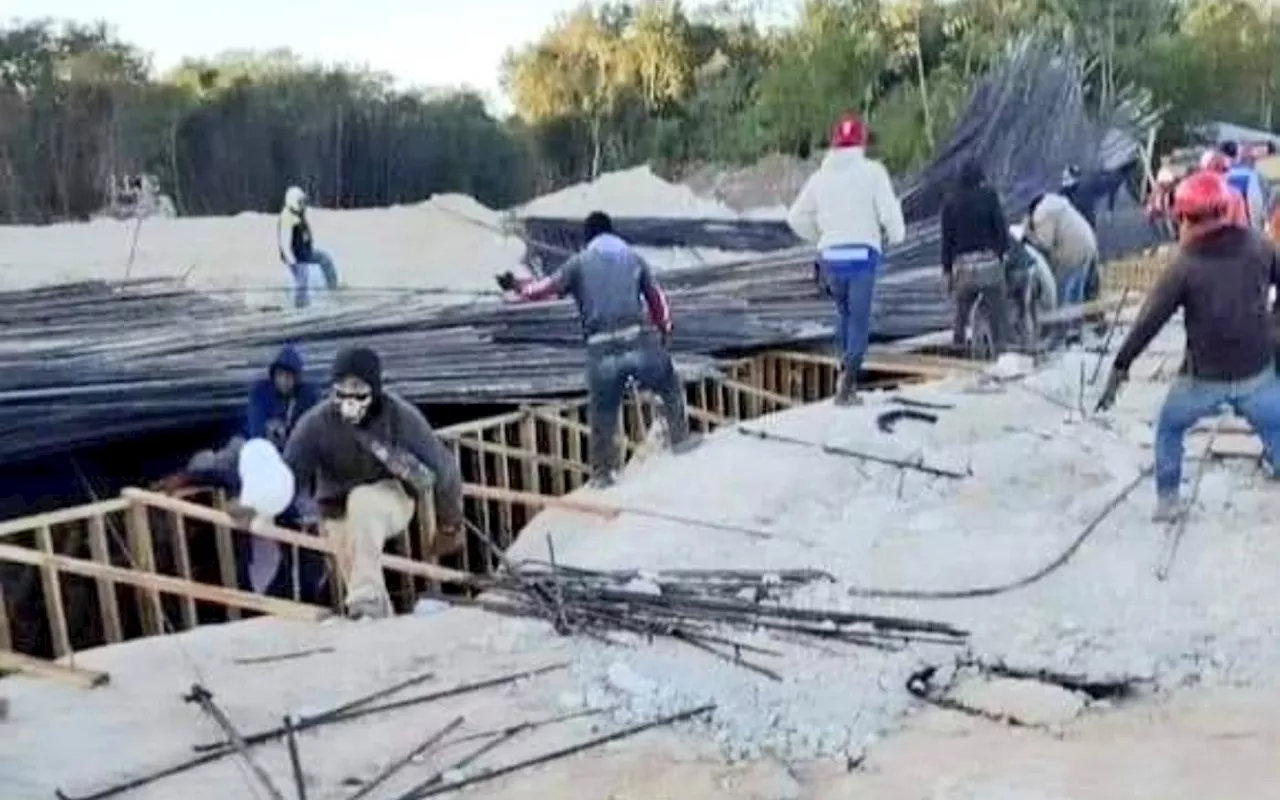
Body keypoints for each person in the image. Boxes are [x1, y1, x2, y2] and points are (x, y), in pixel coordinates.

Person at [1096, 171, 1280, 521]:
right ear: (1227, 207)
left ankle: (1168, 502)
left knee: (1169, 427)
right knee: (1276, 423)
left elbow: (1148, 322)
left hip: (1202, 380)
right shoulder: (1259, 245)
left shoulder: (1183, 267)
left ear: (1182, 217)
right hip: (1257, 372)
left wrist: (1121, 366)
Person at [495, 212, 695, 487]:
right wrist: (665, 329)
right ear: (612, 232)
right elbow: (656, 299)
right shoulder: (633, 258)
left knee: (603, 413)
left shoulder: (579, 263)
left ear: (588, 238)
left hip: (601, 351)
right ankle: (681, 440)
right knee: (668, 384)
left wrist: (515, 287)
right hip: (637, 342)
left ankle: (603, 474)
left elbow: (543, 289)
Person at [273, 346, 465, 619]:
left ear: (374, 390)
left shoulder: (398, 416)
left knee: (363, 500)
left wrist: (449, 524)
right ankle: (377, 621)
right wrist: (261, 505)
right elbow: (289, 474)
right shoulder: (316, 424)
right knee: (356, 566)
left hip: (389, 497)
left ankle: (366, 600)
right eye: (342, 389)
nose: (349, 399)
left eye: (358, 388)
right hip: (336, 509)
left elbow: (444, 468)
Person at [787, 112, 906, 405]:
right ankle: (848, 383)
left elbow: (794, 217)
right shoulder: (874, 172)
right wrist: (895, 235)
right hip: (862, 257)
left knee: (843, 316)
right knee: (859, 323)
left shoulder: (820, 178)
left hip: (831, 259)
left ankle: (845, 374)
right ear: (861, 143)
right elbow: (890, 215)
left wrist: (820, 238)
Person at [940, 160, 1011, 354]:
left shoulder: (950, 202)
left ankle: (958, 347)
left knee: (961, 312)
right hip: (989, 265)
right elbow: (1001, 231)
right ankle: (1002, 350)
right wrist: (1002, 253)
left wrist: (947, 271)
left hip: (964, 268)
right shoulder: (989, 196)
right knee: (998, 311)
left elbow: (947, 242)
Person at [1025, 190, 1099, 340]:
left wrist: (1029, 235)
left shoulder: (1041, 214)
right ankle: (1076, 330)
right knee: (1076, 293)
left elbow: (1045, 243)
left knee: (1061, 292)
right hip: (1088, 244)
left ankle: (1060, 334)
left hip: (1070, 251)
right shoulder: (1059, 204)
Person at [246, 345, 320, 451]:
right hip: (254, 443)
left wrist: (288, 431)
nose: (284, 381)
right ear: (273, 376)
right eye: (280, 375)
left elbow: (312, 428)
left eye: (289, 376)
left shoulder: (307, 395)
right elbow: (256, 428)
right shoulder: (260, 392)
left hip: (295, 448)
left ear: (297, 378)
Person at [278, 186, 340, 309]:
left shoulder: (298, 214)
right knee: (303, 277)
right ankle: (301, 304)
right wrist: (292, 261)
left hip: (304, 252)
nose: (303, 204)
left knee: (325, 259)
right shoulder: (287, 218)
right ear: (293, 201)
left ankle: (333, 288)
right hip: (295, 256)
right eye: (300, 201)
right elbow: (284, 243)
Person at [1218, 142, 1268, 231]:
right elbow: (1255, 204)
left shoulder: (1214, 176)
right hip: (1244, 227)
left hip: (1220, 229)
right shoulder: (1249, 174)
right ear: (1237, 155)